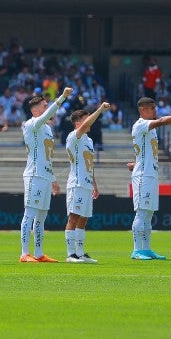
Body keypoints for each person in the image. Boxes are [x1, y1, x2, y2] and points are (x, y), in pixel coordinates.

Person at [129, 97, 171, 260]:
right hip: (143, 175)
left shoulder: (149, 129)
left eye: (155, 107)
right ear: (142, 110)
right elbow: (162, 121)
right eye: (151, 108)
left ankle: (146, 249)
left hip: (151, 173)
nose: (155, 110)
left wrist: (136, 161)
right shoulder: (140, 124)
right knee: (141, 213)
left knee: (149, 214)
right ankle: (137, 250)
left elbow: (144, 150)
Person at [20, 87, 73, 262]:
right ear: (35, 110)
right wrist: (63, 97)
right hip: (33, 175)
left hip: (44, 176)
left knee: (42, 216)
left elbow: (48, 157)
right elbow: (45, 116)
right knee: (30, 214)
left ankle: (39, 253)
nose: (47, 108)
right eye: (44, 106)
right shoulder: (31, 124)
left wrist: (53, 179)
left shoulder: (48, 130)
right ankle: (24, 253)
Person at [63, 103, 110, 264]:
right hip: (76, 183)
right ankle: (70, 254)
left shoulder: (89, 141)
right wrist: (100, 109)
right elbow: (87, 124)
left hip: (87, 183)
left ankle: (81, 253)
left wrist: (94, 184)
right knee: (74, 217)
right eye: (86, 120)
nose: (90, 122)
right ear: (78, 123)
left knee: (84, 218)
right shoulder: (73, 136)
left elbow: (89, 164)